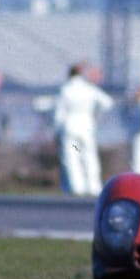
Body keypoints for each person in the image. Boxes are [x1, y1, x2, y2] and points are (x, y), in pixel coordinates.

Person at [53, 63, 115, 195]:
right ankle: (94, 186)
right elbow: (107, 103)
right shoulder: (89, 89)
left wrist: (57, 130)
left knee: (72, 157)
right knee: (90, 156)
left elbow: (58, 114)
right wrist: (95, 116)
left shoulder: (66, 90)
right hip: (87, 127)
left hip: (70, 128)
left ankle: (76, 187)